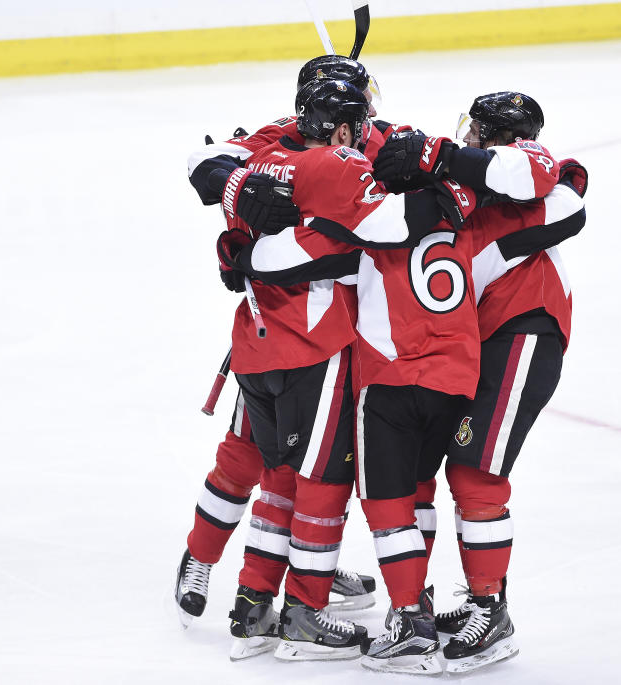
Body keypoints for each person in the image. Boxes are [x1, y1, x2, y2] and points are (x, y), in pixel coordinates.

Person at [175, 55, 402, 657]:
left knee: (268, 468)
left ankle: (256, 600)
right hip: (315, 345)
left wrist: (237, 217)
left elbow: (213, 166)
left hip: (255, 340)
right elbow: (367, 242)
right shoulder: (339, 159)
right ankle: (298, 599)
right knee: (314, 475)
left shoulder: (268, 153)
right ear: (345, 122)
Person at [372, 91, 587, 673]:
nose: (465, 140)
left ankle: (491, 611)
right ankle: (432, 602)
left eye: (475, 135)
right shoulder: (482, 191)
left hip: (524, 336)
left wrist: (436, 159)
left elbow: (564, 198)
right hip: (476, 346)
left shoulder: (528, 191)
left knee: (474, 471)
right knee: (436, 468)